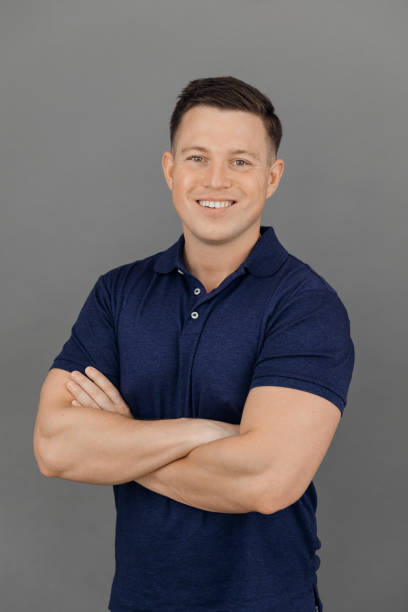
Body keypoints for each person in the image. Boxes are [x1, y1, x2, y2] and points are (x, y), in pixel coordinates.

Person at [33, 76, 355, 611]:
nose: (216, 179)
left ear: (272, 177)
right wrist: (205, 433)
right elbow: (55, 447)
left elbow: (266, 480)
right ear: (170, 169)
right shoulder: (118, 293)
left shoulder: (305, 304)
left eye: (241, 162)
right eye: (198, 157)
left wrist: (119, 443)